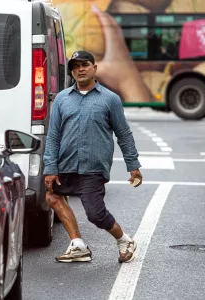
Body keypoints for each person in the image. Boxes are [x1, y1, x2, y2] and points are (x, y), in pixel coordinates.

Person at [43, 49, 143, 263]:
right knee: (52, 197)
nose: (80, 69)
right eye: (75, 67)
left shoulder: (110, 99)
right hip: (66, 164)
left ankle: (125, 240)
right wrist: (50, 167)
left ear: (94, 68)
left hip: (93, 166)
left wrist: (132, 165)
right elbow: (53, 135)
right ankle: (77, 244)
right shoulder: (62, 99)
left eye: (84, 65)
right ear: (72, 73)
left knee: (95, 214)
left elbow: (123, 134)